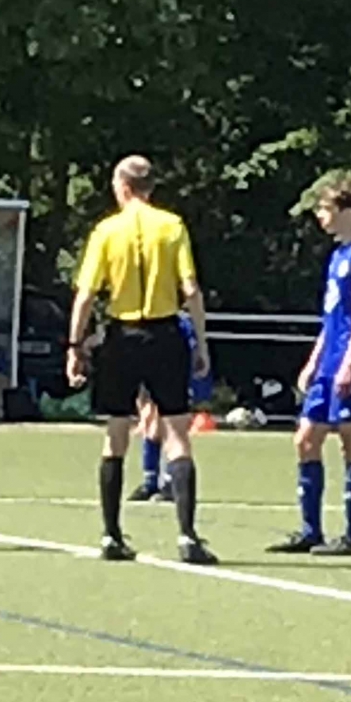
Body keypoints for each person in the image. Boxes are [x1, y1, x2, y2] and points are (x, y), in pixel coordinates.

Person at [67, 155, 216, 564]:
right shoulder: (172, 226)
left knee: (116, 432)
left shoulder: (106, 230)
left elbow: (86, 294)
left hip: (122, 334)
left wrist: (74, 345)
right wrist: (201, 343)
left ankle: (111, 535)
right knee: (177, 433)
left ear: (123, 186)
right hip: (165, 334)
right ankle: (187, 536)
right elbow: (191, 289)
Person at [268, 176, 351, 556]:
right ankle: (310, 530)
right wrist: (315, 360)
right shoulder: (338, 255)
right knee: (305, 439)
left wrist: (350, 361)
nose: (320, 215)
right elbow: (332, 317)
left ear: (347, 211)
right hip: (330, 361)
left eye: (325, 208)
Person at [131, 313, 215, 502]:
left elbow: (192, 352)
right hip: (152, 373)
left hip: (174, 377)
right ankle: (151, 482)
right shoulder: (145, 320)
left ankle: (170, 482)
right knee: (151, 425)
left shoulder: (181, 324)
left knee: (170, 430)